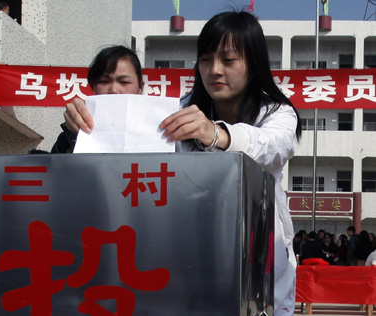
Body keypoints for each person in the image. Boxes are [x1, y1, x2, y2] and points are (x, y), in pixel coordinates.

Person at [66, 11, 301, 315]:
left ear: (253, 64)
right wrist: (85, 126)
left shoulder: (277, 113)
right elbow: (127, 159)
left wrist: (215, 134)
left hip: (260, 259)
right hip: (188, 263)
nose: (215, 70)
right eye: (205, 59)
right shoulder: (177, 112)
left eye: (228, 60)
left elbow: (274, 147)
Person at [51, 45, 143, 153]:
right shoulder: (69, 137)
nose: (113, 90)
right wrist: (74, 133)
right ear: (94, 86)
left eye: (124, 82)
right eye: (104, 81)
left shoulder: (160, 130)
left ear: (140, 87)